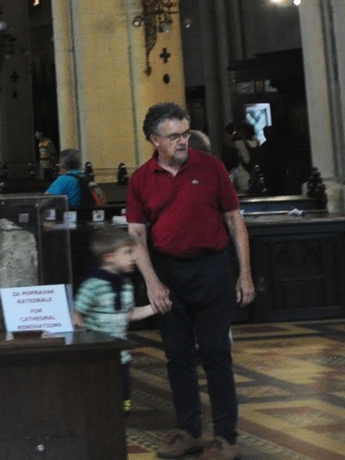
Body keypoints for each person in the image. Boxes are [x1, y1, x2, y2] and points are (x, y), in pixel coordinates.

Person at [126, 102, 254, 460]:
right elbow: (136, 235)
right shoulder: (141, 179)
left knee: (216, 353)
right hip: (168, 273)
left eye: (185, 134)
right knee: (178, 356)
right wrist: (152, 282)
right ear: (155, 140)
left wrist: (244, 273)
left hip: (212, 268)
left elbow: (235, 222)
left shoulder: (211, 167)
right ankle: (189, 432)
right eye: (174, 136)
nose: (183, 141)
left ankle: (226, 437)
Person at [73, 226, 158, 413]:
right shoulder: (93, 285)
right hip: (97, 357)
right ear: (109, 257)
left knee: (123, 400)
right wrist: (88, 339)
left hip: (121, 356)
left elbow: (127, 314)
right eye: (127, 252)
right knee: (99, 399)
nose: (133, 258)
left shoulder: (126, 285)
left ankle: (121, 417)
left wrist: (155, 307)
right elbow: (77, 314)